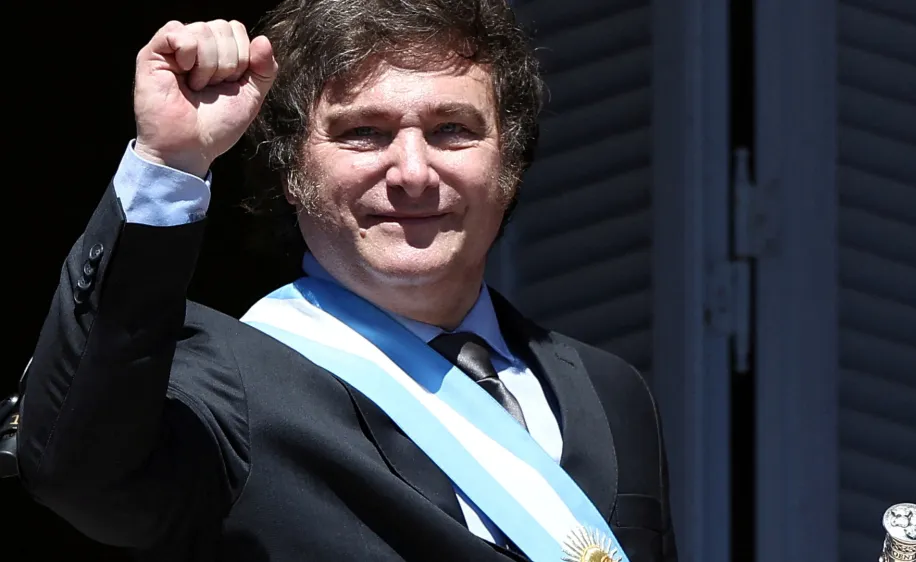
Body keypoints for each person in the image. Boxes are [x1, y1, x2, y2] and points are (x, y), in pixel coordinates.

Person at [16, 1, 677, 560]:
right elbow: (76, 469)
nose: (413, 172)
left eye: (452, 130)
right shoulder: (220, 382)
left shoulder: (608, 390)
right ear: (291, 171)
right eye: (364, 133)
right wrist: (170, 161)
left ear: (509, 161)